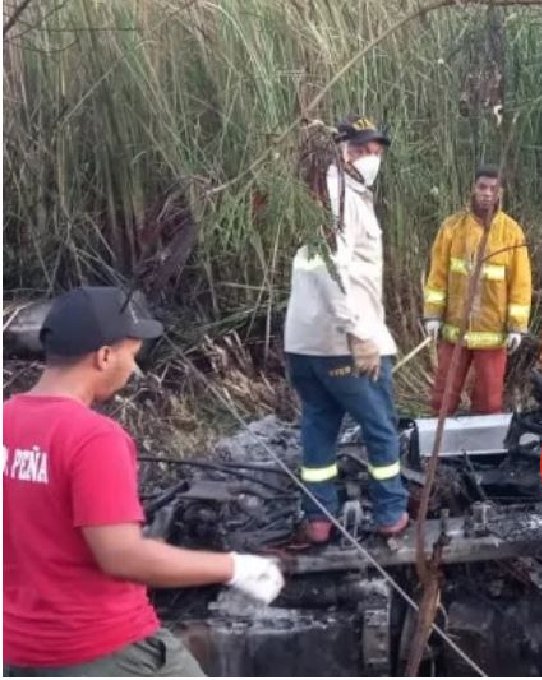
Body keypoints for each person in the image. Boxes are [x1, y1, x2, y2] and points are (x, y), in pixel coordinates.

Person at [3, 286, 284, 677]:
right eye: (131, 356)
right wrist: (234, 567)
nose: (133, 370)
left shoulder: (7, 419)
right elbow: (121, 557)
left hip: (22, 649)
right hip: (105, 647)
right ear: (103, 356)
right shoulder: (94, 437)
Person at [283, 114, 409, 544]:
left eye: (375, 150)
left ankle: (318, 517)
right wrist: (358, 333)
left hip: (304, 343)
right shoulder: (338, 195)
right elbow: (330, 265)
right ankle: (391, 513)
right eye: (361, 148)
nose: (371, 157)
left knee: (319, 425)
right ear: (341, 149)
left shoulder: (328, 191)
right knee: (380, 427)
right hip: (342, 342)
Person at [423, 166, 532, 416]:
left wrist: (516, 327)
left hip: (492, 335)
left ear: (500, 193)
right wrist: (433, 315)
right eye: (482, 187)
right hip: (454, 331)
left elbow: (521, 283)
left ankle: (483, 452)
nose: (487, 194)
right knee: (443, 395)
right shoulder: (452, 228)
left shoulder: (511, 232)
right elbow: (437, 275)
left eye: (493, 189)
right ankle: (438, 447)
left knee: (489, 400)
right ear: (473, 188)